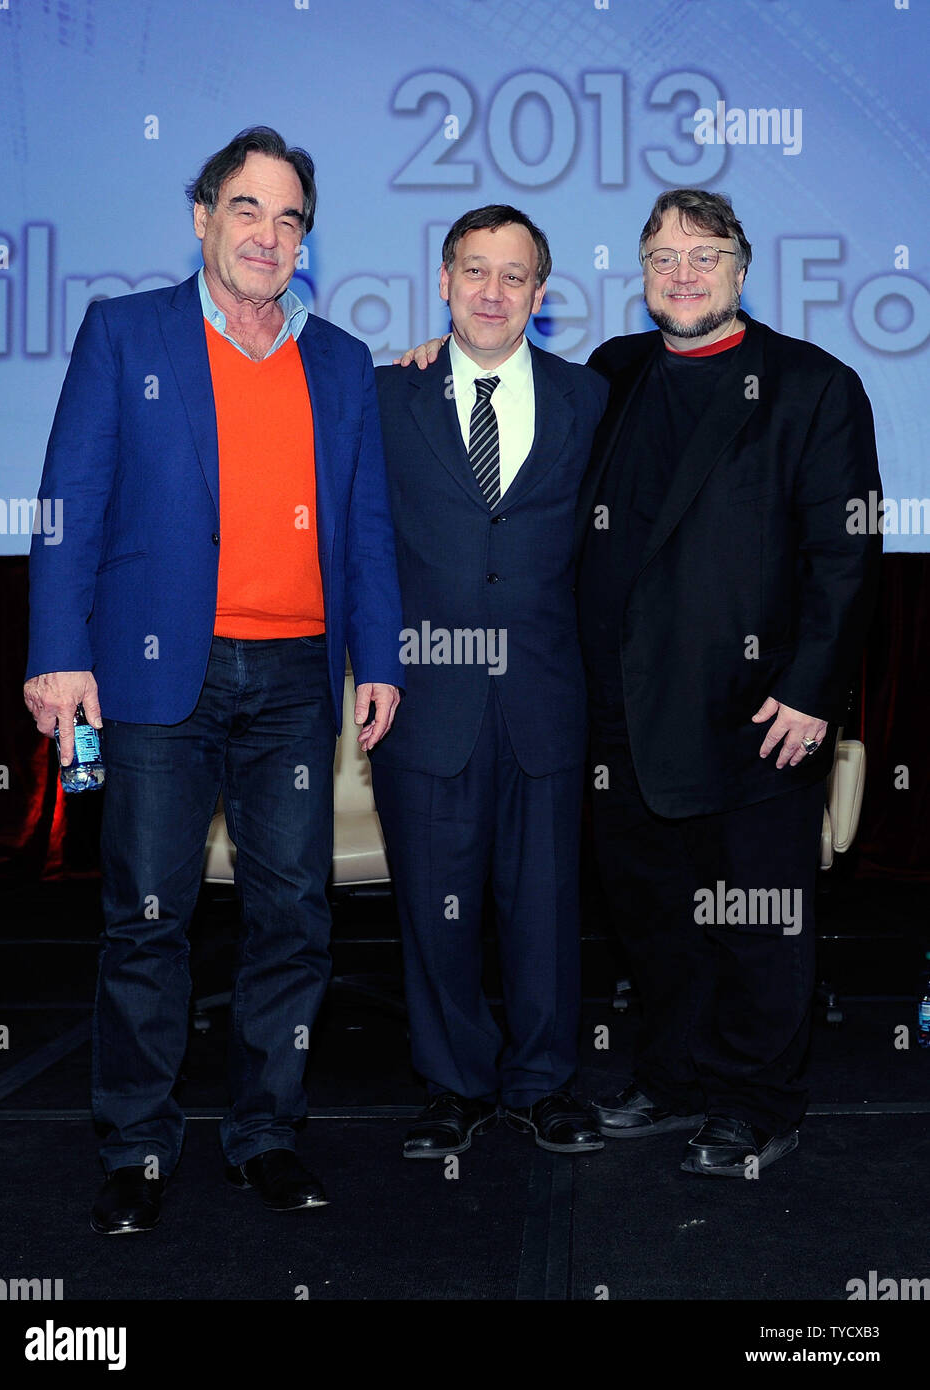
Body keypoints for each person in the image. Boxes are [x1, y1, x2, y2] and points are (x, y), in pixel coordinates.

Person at [23, 126, 403, 1232]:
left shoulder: (336, 360)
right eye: (247, 209)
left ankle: (265, 1134)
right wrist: (58, 648)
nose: (268, 235)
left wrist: (377, 657)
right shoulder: (123, 332)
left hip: (293, 678)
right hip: (156, 679)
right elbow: (68, 501)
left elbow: (365, 526)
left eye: (289, 218)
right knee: (150, 918)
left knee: (295, 916)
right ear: (202, 218)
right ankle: (137, 1146)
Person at [577, 189, 882, 1175]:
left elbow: (844, 559)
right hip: (623, 713)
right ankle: (674, 1079)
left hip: (757, 715)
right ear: (642, 274)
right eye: (661, 257)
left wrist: (808, 691)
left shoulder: (812, 385)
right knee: (655, 920)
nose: (681, 273)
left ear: (741, 269)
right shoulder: (614, 372)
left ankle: (758, 1102)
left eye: (702, 255)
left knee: (755, 920)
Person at [373, 206, 608, 1159]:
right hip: (426, 696)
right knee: (434, 903)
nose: (492, 292)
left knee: (546, 903)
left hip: (547, 695)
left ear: (540, 296)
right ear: (442, 280)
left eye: (514, 277)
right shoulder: (385, 394)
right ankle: (452, 1087)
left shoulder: (589, 397)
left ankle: (543, 1084)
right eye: (474, 271)